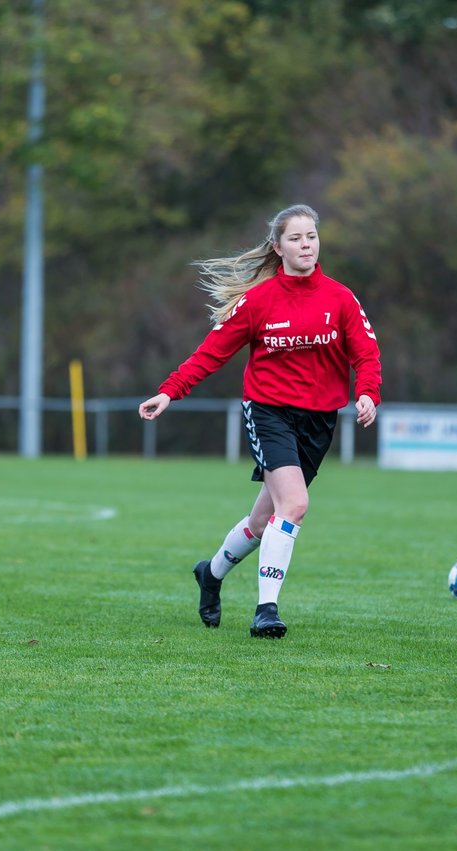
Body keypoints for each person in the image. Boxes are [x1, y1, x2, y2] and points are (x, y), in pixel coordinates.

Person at [138, 204, 382, 638]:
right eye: (295, 238)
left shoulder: (340, 298)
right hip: (269, 410)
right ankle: (266, 609)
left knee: (261, 520)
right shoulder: (258, 301)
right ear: (278, 247)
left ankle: (210, 574)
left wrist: (367, 393)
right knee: (295, 505)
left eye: (311, 236)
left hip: (319, 419)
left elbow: (365, 352)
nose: (306, 245)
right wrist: (169, 390)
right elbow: (211, 353)